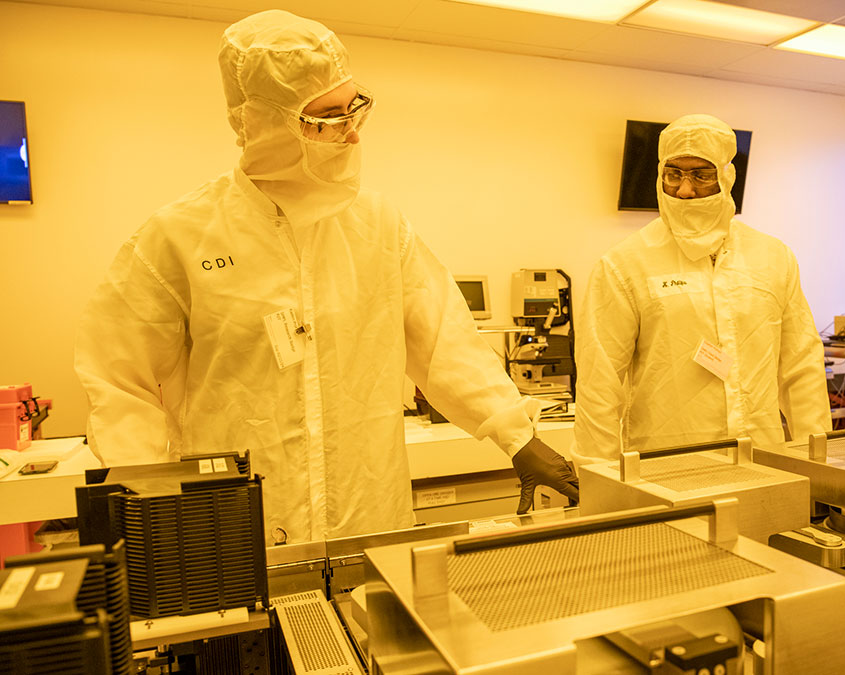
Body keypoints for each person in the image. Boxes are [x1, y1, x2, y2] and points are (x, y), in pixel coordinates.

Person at [74, 10, 577, 544]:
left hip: (369, 511)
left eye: (352, 109)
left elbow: (443, 342)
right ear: (259, 123)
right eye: (326, 118)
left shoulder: (379, 225)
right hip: (237, 524)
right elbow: (121, 379)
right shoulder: (179, 236)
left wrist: (517, 436)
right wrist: (147, 498)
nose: (352, 135)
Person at [573, 113, 831, 462]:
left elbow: (801, 368)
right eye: (673, 173)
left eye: (701, 174)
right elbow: (598, 383)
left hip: (764, 460)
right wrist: (598, 476)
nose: (684, 189)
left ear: (727, 177)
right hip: (669, 464)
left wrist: (819, 462)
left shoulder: (773, 257)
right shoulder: (625, 264)